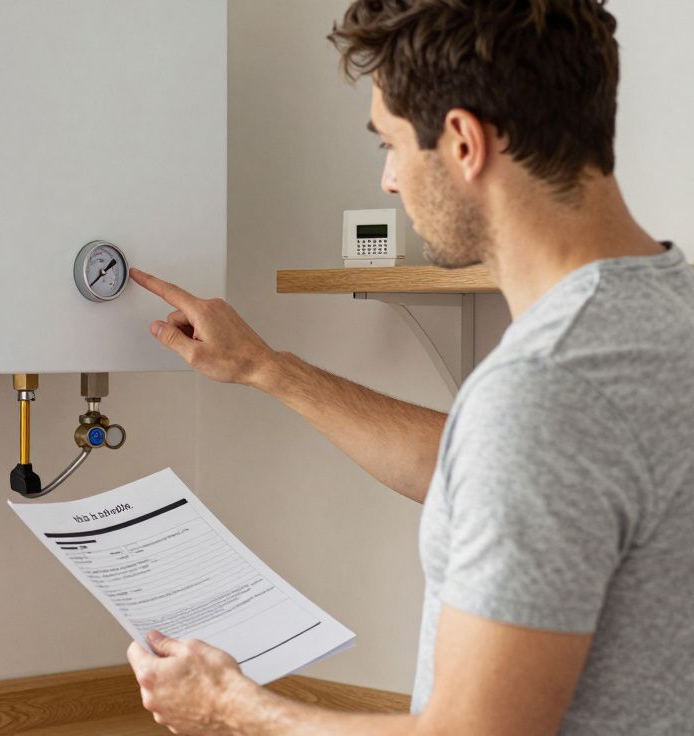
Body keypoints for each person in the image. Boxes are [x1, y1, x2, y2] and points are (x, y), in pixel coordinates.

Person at [125, 1, 694, 734]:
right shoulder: (660, 314)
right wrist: (266, 368)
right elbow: (481, 470)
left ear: (461, 142)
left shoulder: (546, 393)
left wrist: (232, 707)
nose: (389, 181)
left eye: (389, 143)